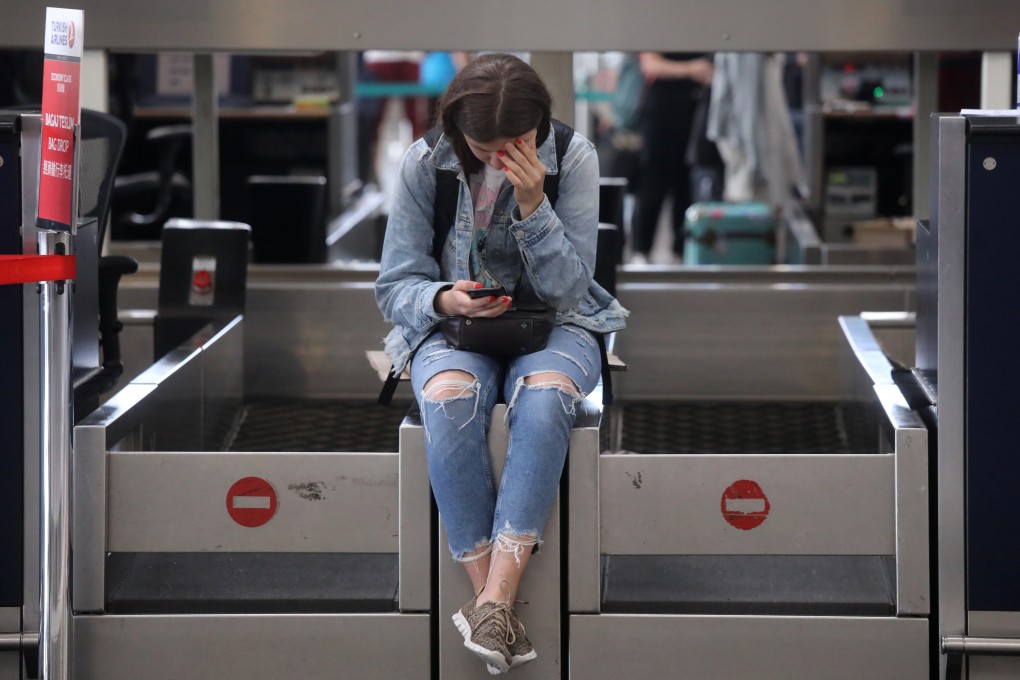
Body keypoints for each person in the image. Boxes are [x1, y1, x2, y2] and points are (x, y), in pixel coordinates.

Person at [375, 53, 628, 674]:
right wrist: (443, 296)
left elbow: (572, 292)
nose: (496, 158)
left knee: (545, 400)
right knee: (450, 401)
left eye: (513, 144)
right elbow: (394, 285)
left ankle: (493, 600)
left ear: (538, 125)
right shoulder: (423, 162)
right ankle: (496, 607)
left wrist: (535, 205)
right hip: (455, 327)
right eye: (481, 145)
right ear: (458, 131)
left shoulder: (574, 158)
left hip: (557, 325)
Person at [629, 52, 714, 264]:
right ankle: (641, 249)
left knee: (685, 181)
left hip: (695, 105)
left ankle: (681, 249)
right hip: (662, 108)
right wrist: (691, 69)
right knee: (653, 180)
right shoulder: (661, 28)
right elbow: (651, 65)